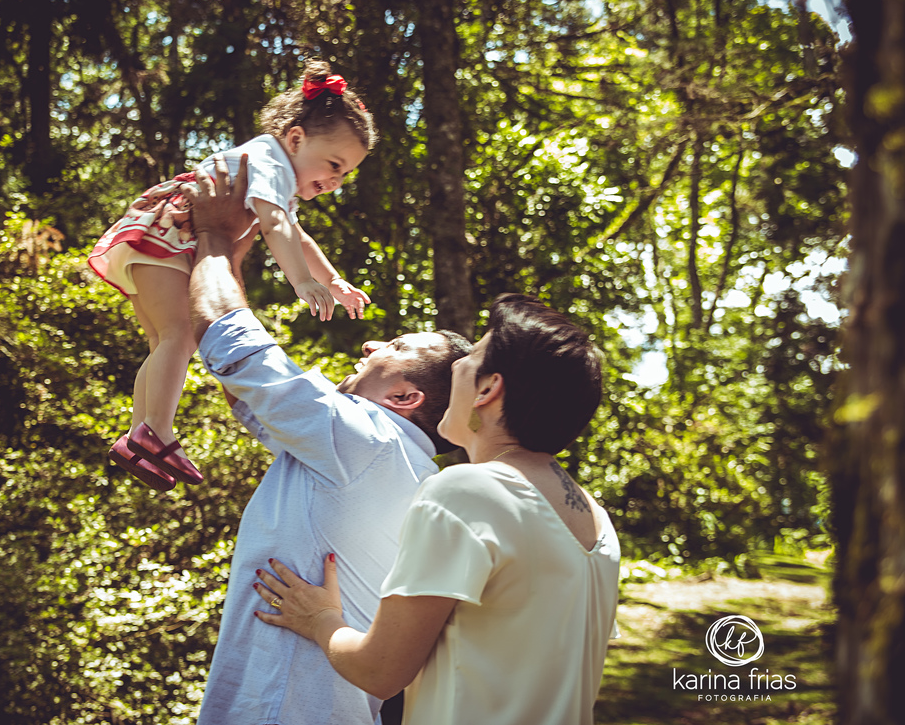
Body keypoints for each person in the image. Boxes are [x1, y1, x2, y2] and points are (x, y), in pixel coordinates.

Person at [182, 154, 471, 725]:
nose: (369, 347)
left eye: (391, 349)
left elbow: (234, 349)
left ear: (405, 398)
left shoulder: (369, 441)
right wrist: (237, 251)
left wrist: (213, 236)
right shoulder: (405, 470)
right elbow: (245, 393)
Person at [253, 293, 620, 725]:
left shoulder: (465, 491)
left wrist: (321, 619)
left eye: (470, 359)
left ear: (488, 388)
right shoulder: (596, 519)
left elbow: (379, 671)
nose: (457, 369)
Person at [89, 59, 375, 491]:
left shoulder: (278, 172)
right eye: (333, 164)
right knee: (179, 337)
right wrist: (303, 281)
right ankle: (155, 432)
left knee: (166, 342)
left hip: (168, 241)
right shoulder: (271, 161)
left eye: (346, 173)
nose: (336, 180)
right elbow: (277, 226)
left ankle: (140, 436)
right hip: (171, 236)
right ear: (295, 138)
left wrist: (332, 279)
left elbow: (294, 231)